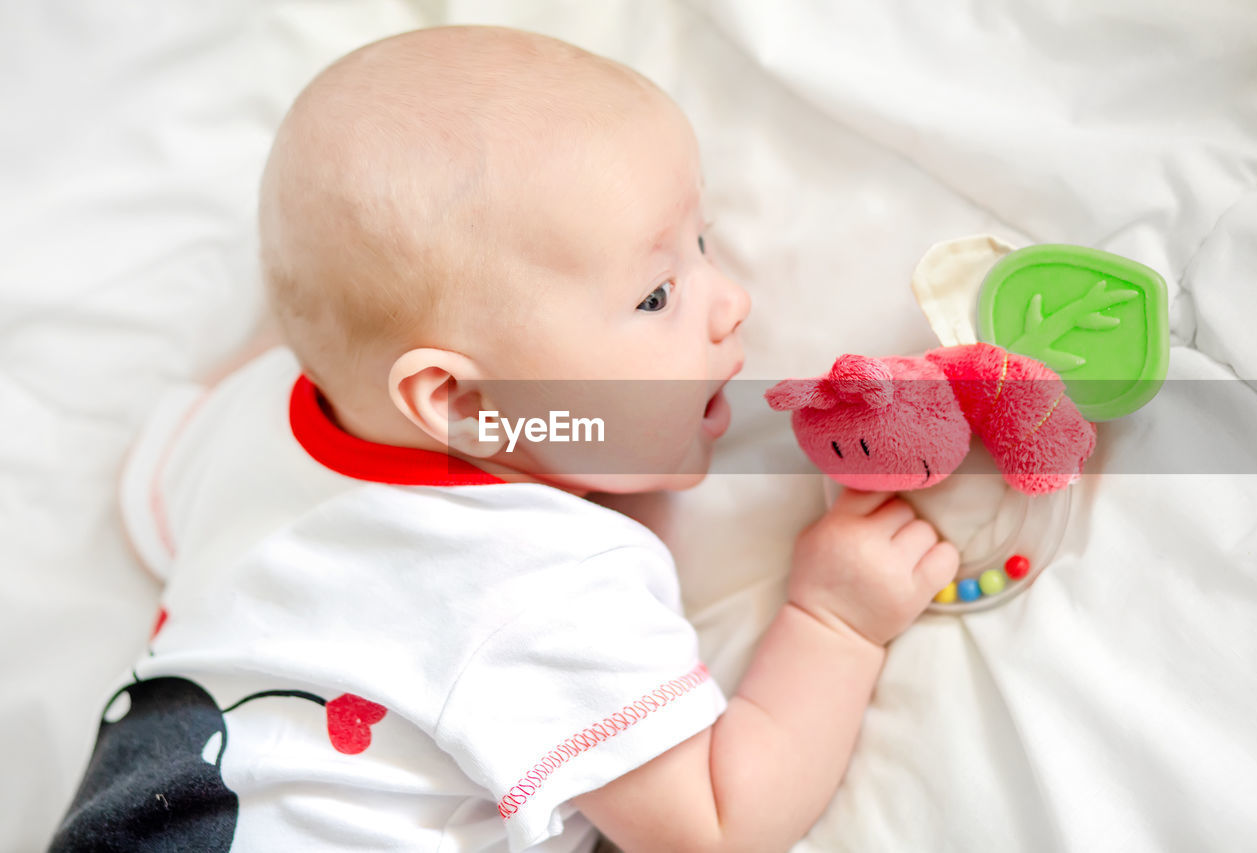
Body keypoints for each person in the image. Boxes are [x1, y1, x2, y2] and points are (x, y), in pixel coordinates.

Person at [52, 25, 958, 853]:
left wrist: (334, 319)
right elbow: (717, 820)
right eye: (655, 295)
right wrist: (835, 620)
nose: (731, 304)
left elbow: (150, 485)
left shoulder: (256, 414)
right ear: (455, 395)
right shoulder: (539, 581)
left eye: (704, 243)